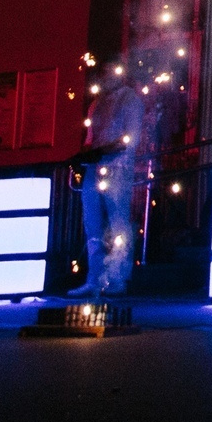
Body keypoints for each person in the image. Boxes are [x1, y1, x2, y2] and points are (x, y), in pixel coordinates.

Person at [70, 59, 159, 297]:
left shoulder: (130, 100)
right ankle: (95, 277)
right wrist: (86, 154)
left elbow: (130, 139)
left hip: (117, 168)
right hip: (95, 167)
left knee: (118, 221)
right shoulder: (96, 104)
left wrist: (102, 150)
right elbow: (91, 138)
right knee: (93, 224)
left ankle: (118, 277)